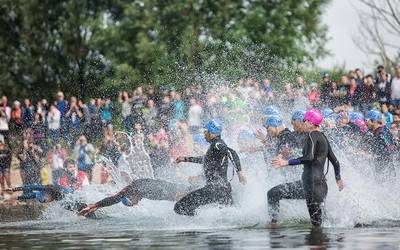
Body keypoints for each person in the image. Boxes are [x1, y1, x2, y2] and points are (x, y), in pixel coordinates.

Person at [270, 109, 344, 226]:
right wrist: (338, 179)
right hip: (320, 185)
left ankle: (273, 225)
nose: (303, 123)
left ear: (310, 122)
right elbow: (335, 161)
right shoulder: (322, 137)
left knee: (317, 225)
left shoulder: (311, 135)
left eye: (304, 120)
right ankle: (340, 233)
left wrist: (286, 162)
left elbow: (309, 157)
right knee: (321, 223)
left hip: (311, 184)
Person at [174, 119, 246, 216]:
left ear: (212, 132)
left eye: (206, 131)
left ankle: (200, 223)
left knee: (180, 207)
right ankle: (206, 222)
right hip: (222, 189)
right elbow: (205, 160)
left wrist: (240, 173)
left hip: (215, 189)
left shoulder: (217, 144)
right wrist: (185, 159)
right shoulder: (214, 146)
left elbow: (231, 152)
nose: (204, 134)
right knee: (230, 215)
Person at [78, 178, 193, 216]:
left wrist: (95, 205)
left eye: (133, 202)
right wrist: (97, 205)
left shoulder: (138, 189)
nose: (135, 204)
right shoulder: (135, 189)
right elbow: (116, 197)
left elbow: (116, 198)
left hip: (171, 190)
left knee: (183, 197)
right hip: (168, 188)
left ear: (132, 196)